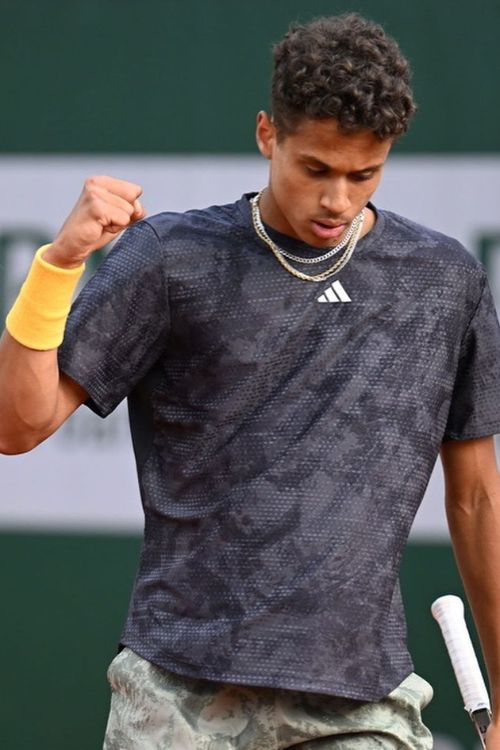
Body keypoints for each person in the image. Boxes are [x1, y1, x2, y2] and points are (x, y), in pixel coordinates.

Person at [1, 12, 500, 749]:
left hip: (362, 701)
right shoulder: (171, 257)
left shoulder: (444, 279)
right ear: (268, 135)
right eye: (316, 170)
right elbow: (18, 424)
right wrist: (59, 266)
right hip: (176, 692)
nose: (337, 200)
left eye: (364, 174)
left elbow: (478, 495)